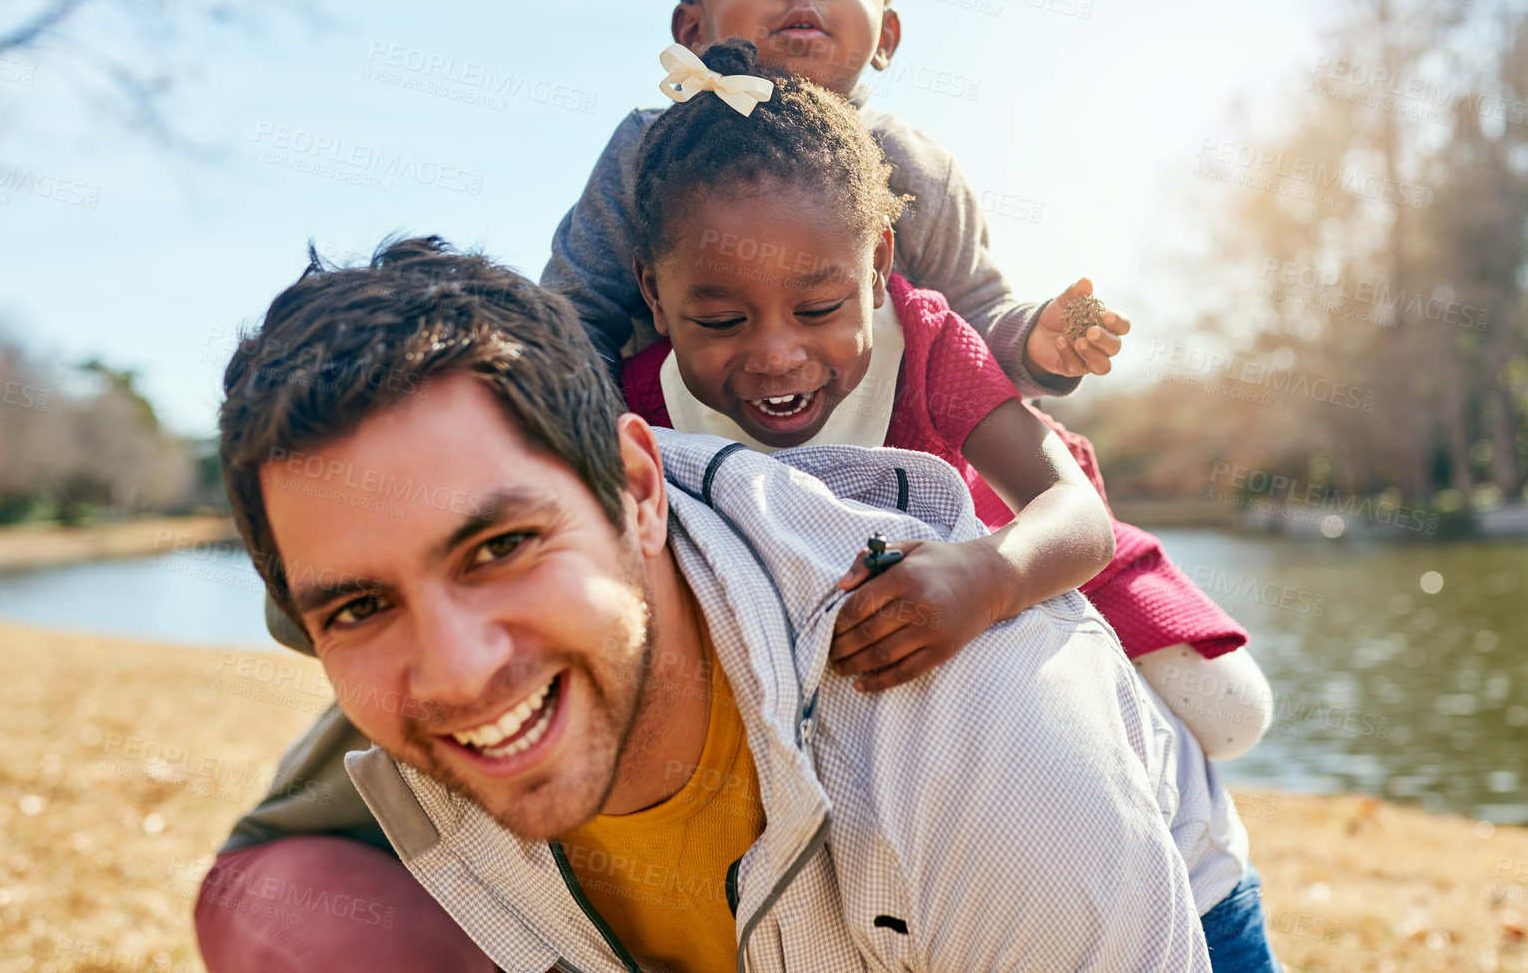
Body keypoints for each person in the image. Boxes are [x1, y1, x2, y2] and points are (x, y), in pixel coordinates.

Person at [210, 237, 1267, 971]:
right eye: (355, 607)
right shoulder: (417, 744)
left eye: (500, 546)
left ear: (635, 489)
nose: (452, 668)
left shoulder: (981, 745)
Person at [622, 37, 1275, 759]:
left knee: (1229, 712)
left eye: (817, 310)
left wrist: (987, 578)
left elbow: (1076, 514)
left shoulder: (923, 343)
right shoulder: (644, 407)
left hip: (1004, 545)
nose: (776, 356)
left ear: (875, 268)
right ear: (653, 293)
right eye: (720, 322)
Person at [540, 0, 1129, 395]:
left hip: (890, 474)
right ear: (692, 31)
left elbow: (975, 317)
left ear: (886, 36)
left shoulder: (917, 168)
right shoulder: (649, 151)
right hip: (686, 458)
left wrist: (1034, 343)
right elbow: (575, 312)